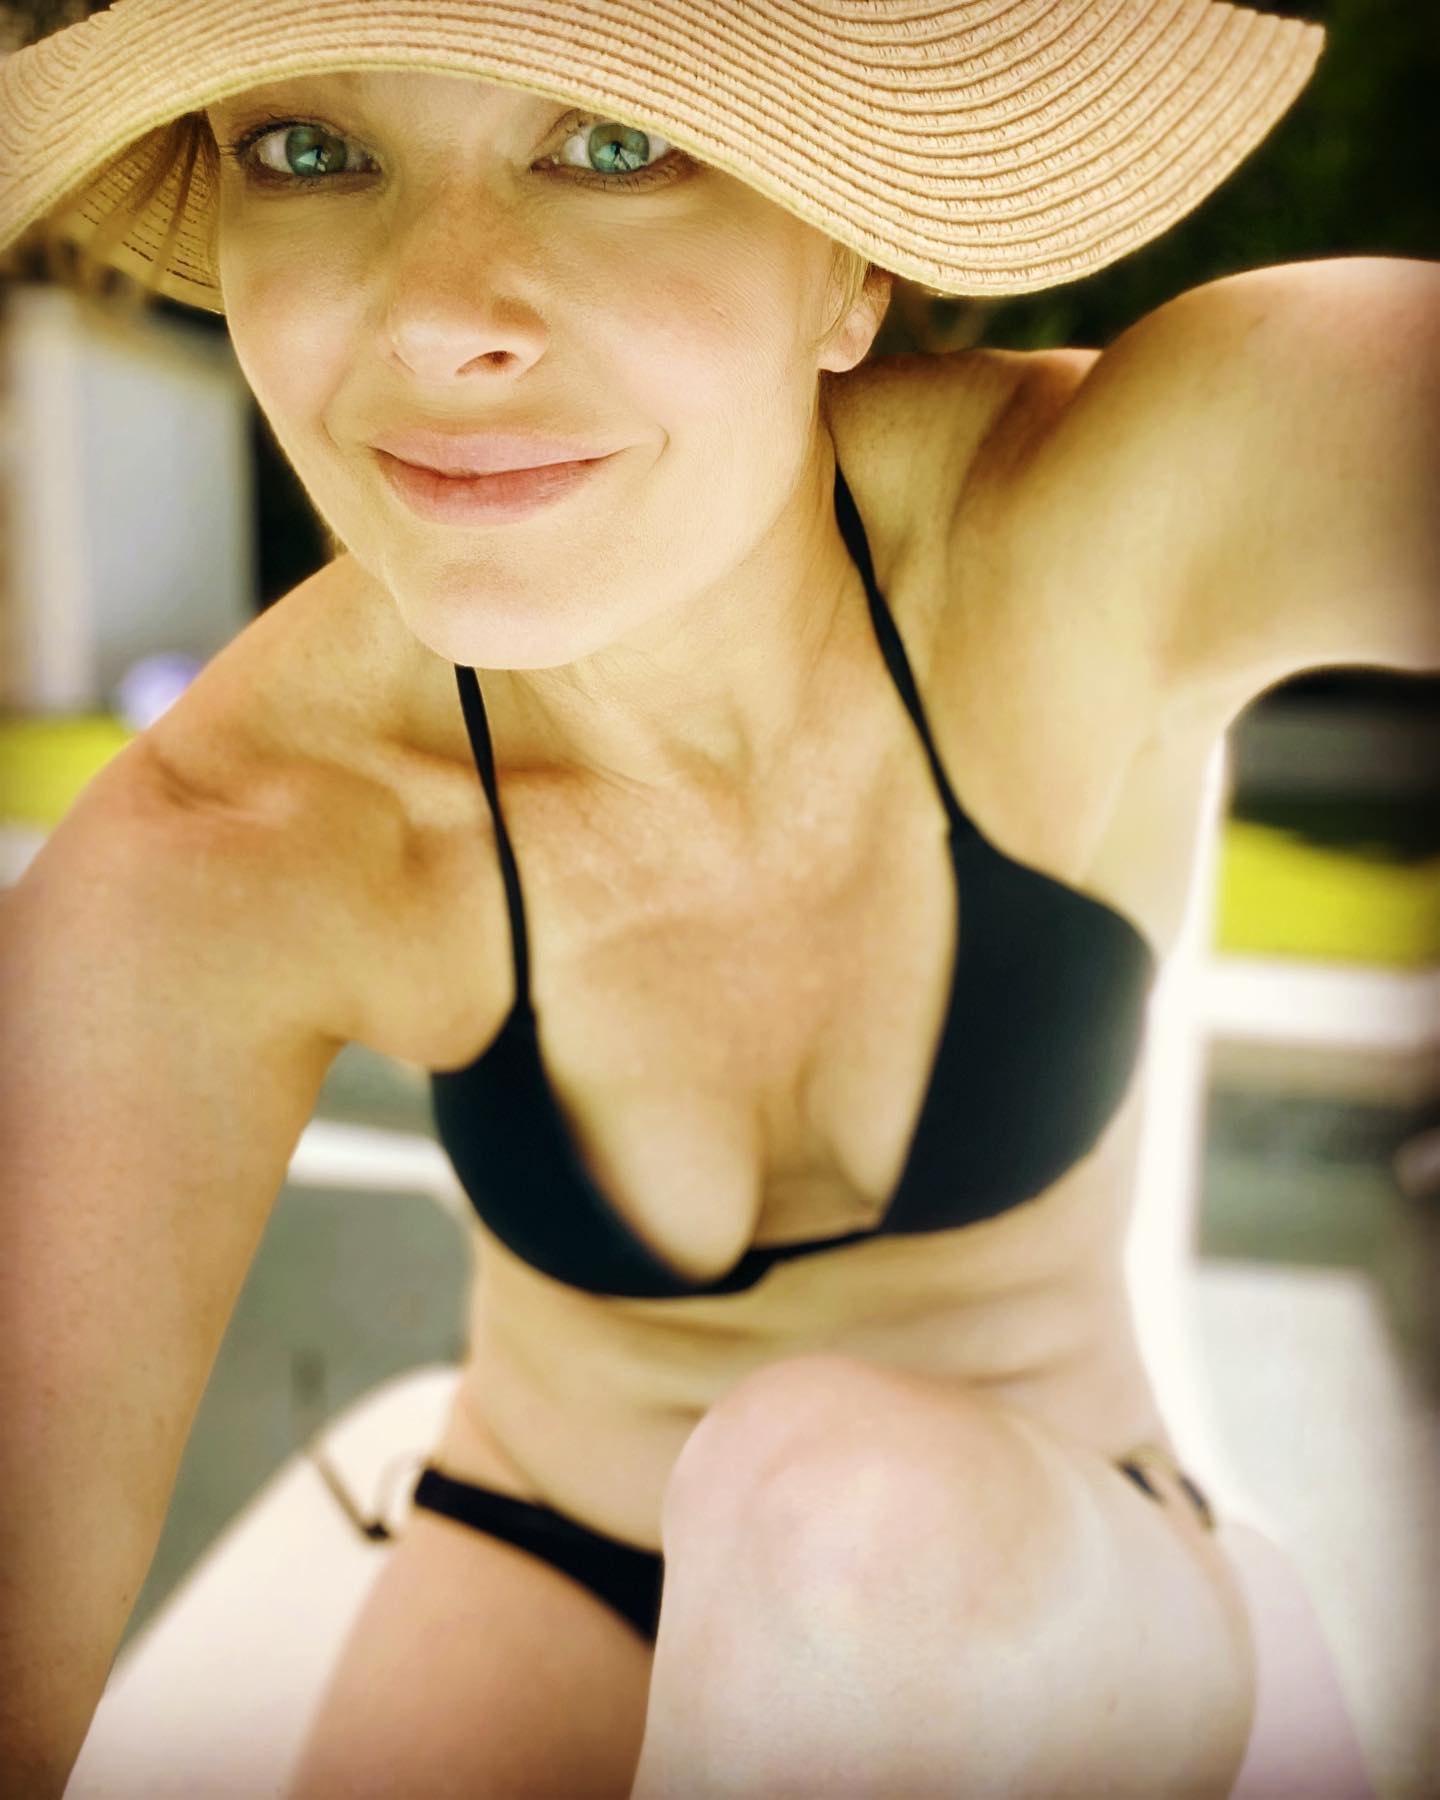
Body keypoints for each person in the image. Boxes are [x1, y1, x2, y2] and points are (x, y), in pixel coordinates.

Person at [0, 3, 1434, 1796]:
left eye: (615, 144)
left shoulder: (1091, 525)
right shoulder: (243, 841)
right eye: (310, 147)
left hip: (1052, 1567)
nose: (437, 319)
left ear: (845, 262)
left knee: (843, 1526)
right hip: (532, 1539)